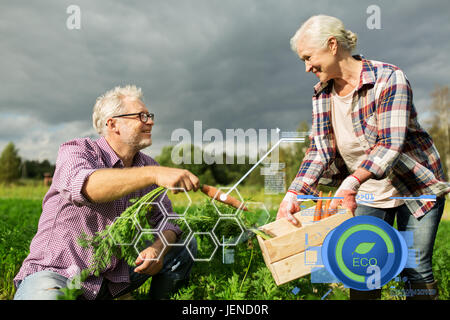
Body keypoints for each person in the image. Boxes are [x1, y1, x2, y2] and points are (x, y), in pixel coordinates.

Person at [277, 15, 449, 300]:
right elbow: (320, 149)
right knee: (362, 270)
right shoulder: (322, 95)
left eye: (308, 58)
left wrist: (351, 182)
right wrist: (294, 192)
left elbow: (390, 145)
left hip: (415, 187)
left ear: (332, 45)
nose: (307, 67)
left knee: (414, 268)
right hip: (366, 191)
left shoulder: (388, 78)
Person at [14, 85, 200, 300]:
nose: (150, 121)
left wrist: (157, 249)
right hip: (57, 275)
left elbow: (168, 221)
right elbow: (86, 186)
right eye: (141, 116)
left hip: (111, 280)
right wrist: (154, 174)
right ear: (113, 124)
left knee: (183, 242)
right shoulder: (78, 151)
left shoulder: (147, 165)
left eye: (149, 115)